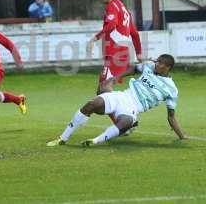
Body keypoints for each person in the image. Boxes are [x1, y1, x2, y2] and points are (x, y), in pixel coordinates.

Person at [47, 54, 186, 147]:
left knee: (126, 122)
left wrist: (182, 136)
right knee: (92, 104)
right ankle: (63, 138)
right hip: (122, 96)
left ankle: (95, 141)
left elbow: (171, 116)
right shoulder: (149, 65)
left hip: (133, 108)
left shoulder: (171, 89)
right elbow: (133, 69)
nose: (156, 64)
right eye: (157, 61)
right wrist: (115, 78)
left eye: (160, 63)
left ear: (167, 67)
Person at [87, 0, 142, 96]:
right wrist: (139, 54)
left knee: (104, 92)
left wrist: (95, 38)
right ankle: (123, 113)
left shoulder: (112, 6)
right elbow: (135, 34)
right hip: (121, 55)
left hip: (114, 55)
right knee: (102, 93)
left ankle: (125, 113)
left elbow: (111, 25)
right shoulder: (124, 9)